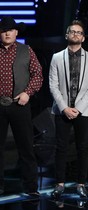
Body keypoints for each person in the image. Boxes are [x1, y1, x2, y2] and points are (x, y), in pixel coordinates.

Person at [49, 20, 88, 199]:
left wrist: (77, 108)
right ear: (66, 35)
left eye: (79, 32)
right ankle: (60, 183)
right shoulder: (56, 57)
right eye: (72, 32)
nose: (75, 34)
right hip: (62, 110)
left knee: (82, 147)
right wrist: (64, 108)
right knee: (61, 147)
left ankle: (81, 184)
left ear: (83, 38)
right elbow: (53, 85)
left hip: (83, 111)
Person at [0, 16, 43, 196]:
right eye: (3, 30)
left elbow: (37, 75)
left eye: (10, 29)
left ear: (16, 32)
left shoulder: (27, 51)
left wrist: (27, 93)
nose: (7, 33)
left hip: (20, 105)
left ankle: (31, 187)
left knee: (26, 148)